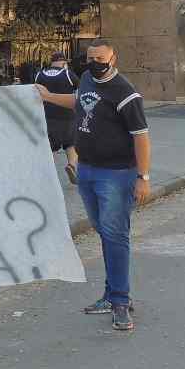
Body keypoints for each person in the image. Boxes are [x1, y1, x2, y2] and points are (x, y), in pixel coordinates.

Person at [37, 37, 150, 332]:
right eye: (91, 58)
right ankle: (111, 295)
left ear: (113, 59)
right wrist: (48, 96)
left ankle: (121, 302)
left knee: (115, 235)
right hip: (87, 169)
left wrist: (143, 177)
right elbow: (78, 101)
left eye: (101, 59)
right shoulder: (87, 78)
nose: (95, 64)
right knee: (105, 232)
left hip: (116, 174)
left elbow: (141, 136)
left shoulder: (126, 93)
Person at [33, 51, 79, 184]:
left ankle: (49, 173)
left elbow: (34, 91)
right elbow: (80, 90)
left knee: (50, 147)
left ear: (51, 62)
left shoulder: (40, 74)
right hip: (68, 116)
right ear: (64, 62)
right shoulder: (68, 74)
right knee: (71, 144)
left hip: (47, 117)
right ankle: (71, 165)